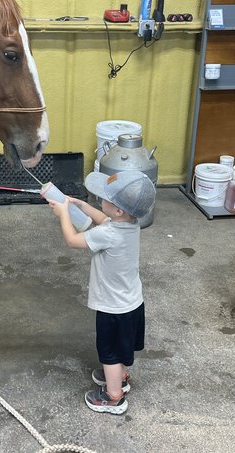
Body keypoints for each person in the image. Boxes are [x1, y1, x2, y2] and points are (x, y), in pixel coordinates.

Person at [47, 170, 156, 415]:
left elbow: (72, 240)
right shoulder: (130, 224)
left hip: (113, 308)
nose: (99, 200)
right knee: (121, 346)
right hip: (132, 303)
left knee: (109, 351)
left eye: (104, 198)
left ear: (118, 210)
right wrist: (82, 206)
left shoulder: (108, 234)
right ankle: (120, 375)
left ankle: (113, 396)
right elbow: (102, 218)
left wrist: (63, 214)